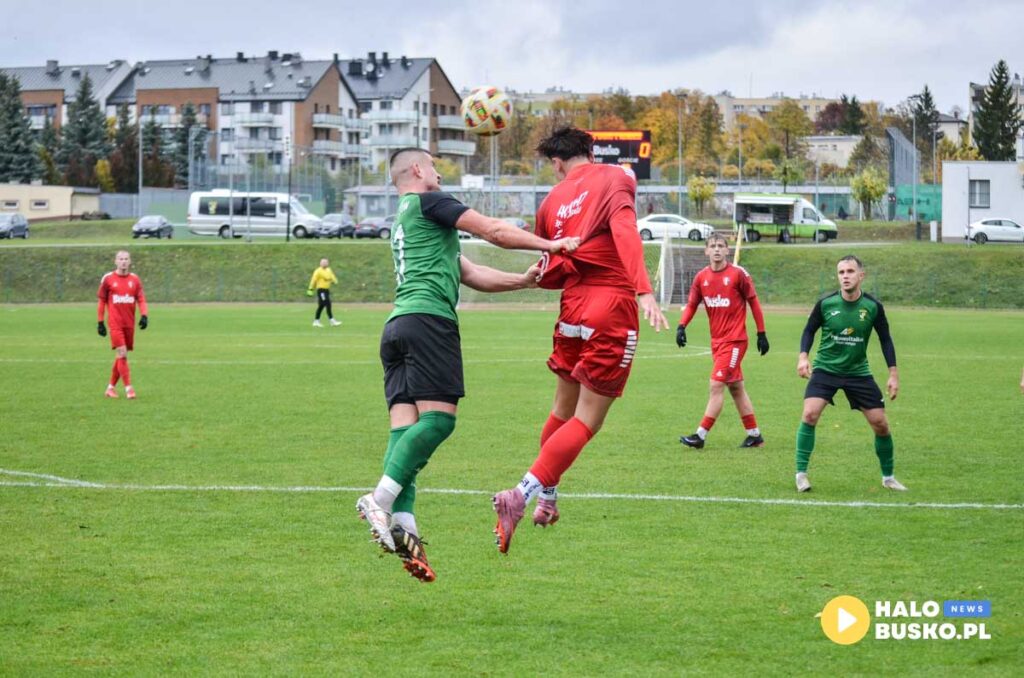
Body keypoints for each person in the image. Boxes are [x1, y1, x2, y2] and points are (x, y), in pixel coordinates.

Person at [355, 147, 579, 583]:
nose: (439, 174)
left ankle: (406, 526)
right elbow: (493, 231)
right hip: (428, 322)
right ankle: (378, 501)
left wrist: (522, 280)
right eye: (434, 167)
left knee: (406, 435)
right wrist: (551, 243)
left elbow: (470, 272)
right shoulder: (430, 201)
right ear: (417, 170)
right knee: (439, 424)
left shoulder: (406, 220)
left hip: (397, 327)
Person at [491, 126, 669, 554]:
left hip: (572, 308)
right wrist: (644, 290)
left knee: (561, 409)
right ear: (590, 150)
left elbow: (549, 265)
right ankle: (521, 495)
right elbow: (624, 229)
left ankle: (548, 501)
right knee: (587, 420)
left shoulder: (552, 200)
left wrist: (537, 276)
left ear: (556, 162)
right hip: (610, 305)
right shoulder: (617, 176)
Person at [795, 255, 905, 493]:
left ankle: (888, 477)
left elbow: (885, 339)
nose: (845, 276)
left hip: (858, 372)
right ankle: (801, 474)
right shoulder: (826, 304)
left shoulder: (873, 307)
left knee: (880, 424)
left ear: (861, 276)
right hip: (826, 368)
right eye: (841, 272)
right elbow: (809, 330)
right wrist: (803, 356)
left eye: (850, 272)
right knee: (809, 414)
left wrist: (893, 374)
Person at [677, 232, 769, 449]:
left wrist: (761, 333)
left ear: (727, 250)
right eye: (713, 246)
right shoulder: (701, 278)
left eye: (721, 246)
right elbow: (691, 305)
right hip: (717, 342)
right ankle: (754, 435)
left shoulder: (738, 274)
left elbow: (754, 303)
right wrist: (682, 326)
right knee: (736, 388)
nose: (717, 249)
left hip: (735, 341)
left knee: (716, 385)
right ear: (706, 250)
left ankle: (700, 435)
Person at [97, 250, 148, 399]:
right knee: (122, 354)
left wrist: (144, 315)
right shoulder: (108, 279)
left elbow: (141, 299)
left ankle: (110, 388)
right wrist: (100, 322)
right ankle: (129, 389)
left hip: (129, 324)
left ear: (130, 261)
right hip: (115, 324)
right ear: (115, 261)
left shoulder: (135, 279)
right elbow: (102, 301)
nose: (123, 261)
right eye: (120, 259)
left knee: (120, 356)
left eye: (126, 259)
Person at [308, 257, 341, 327]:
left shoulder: (329, 270)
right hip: (321, 290)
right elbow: (313, 280)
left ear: (328, 263)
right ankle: (332, 320)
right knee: (327, 303)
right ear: (320, 263)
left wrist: (335, 281)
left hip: (326, 290)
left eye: (326, 262)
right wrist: (310, 289)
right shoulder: (318, 271)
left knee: (321, 305)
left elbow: (332, 276)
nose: (324, 263)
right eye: (323, 262)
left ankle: (316, 321)